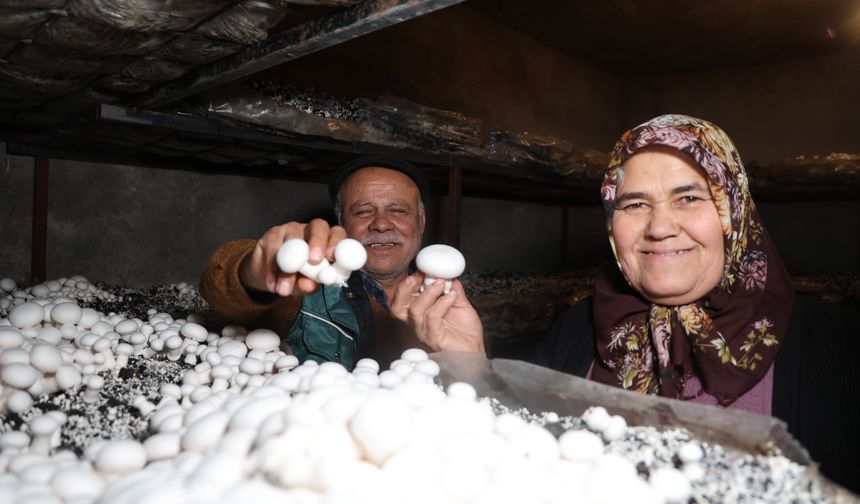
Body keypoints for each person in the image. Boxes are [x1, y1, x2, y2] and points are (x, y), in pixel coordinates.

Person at [531, 114, 860, 492]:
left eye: (688, 198)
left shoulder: (840, 346)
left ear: (733, 211)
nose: (659, 227)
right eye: (635, 204)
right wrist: (470, 364)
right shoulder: (576, 329)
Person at [200, 155, 483, 370]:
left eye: (398, 210)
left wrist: (472, 363)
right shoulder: (305, 291)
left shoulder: (447, 306)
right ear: (342, 223)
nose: (382, 224)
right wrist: (254, 270)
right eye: (362, 212)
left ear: (421, 222)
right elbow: (221, 288)